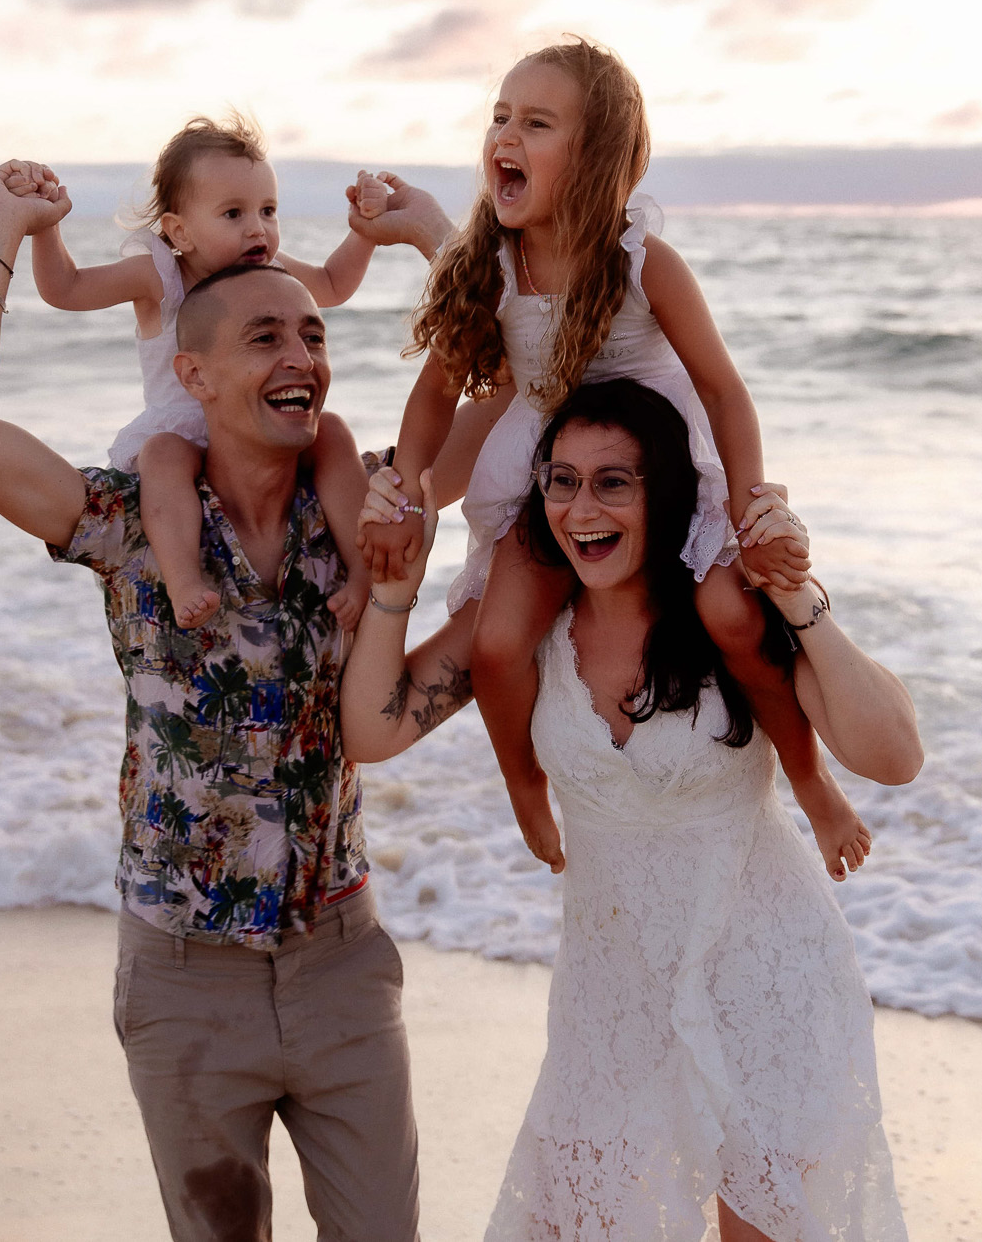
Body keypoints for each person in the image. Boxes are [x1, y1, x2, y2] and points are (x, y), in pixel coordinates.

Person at [0, 160, 470, 1241]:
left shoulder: (368, 507)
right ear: (193, 374)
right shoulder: (127, 522)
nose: (300, 355)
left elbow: (517, 395)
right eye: (264, 336)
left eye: (311, 335)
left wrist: (444, 239)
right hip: (182, 977)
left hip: (340, 961)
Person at [345, 379, 921, 1241]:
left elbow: (894, 754)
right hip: (611, 1003)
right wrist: (396, 589)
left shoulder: (725, 614)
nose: (582, 507)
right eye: (562, 479)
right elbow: (373, 729)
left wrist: (800, 597)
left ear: (667, 495)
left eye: (615, 481)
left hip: (767, 980)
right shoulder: (530, 624)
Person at [358, 36, 844, 880]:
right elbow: (439, 391)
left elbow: (724, 390)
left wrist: (751, 505)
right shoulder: (489, 262)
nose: (506, 135)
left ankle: (808, 775)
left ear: (594, 156)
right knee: (501, 642)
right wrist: (404, 487)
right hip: (559, 476)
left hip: (666, 471)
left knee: (732, 613)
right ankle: (523, 783)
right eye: (500, 117)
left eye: (536, 123)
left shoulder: (641, 261)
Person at [9, 114, 387, 629]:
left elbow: (333, 284)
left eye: (268, 210)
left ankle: (364, 571)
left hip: (259, 432)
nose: (258, 227)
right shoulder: (158, 274)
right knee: (162, 455)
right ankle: (184, 576)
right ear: (179, 230)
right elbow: (67, 289)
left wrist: (364, 233)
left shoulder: (269, 270)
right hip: (184, 432)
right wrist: (46, 227)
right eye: (233, 213)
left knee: (335, 433)